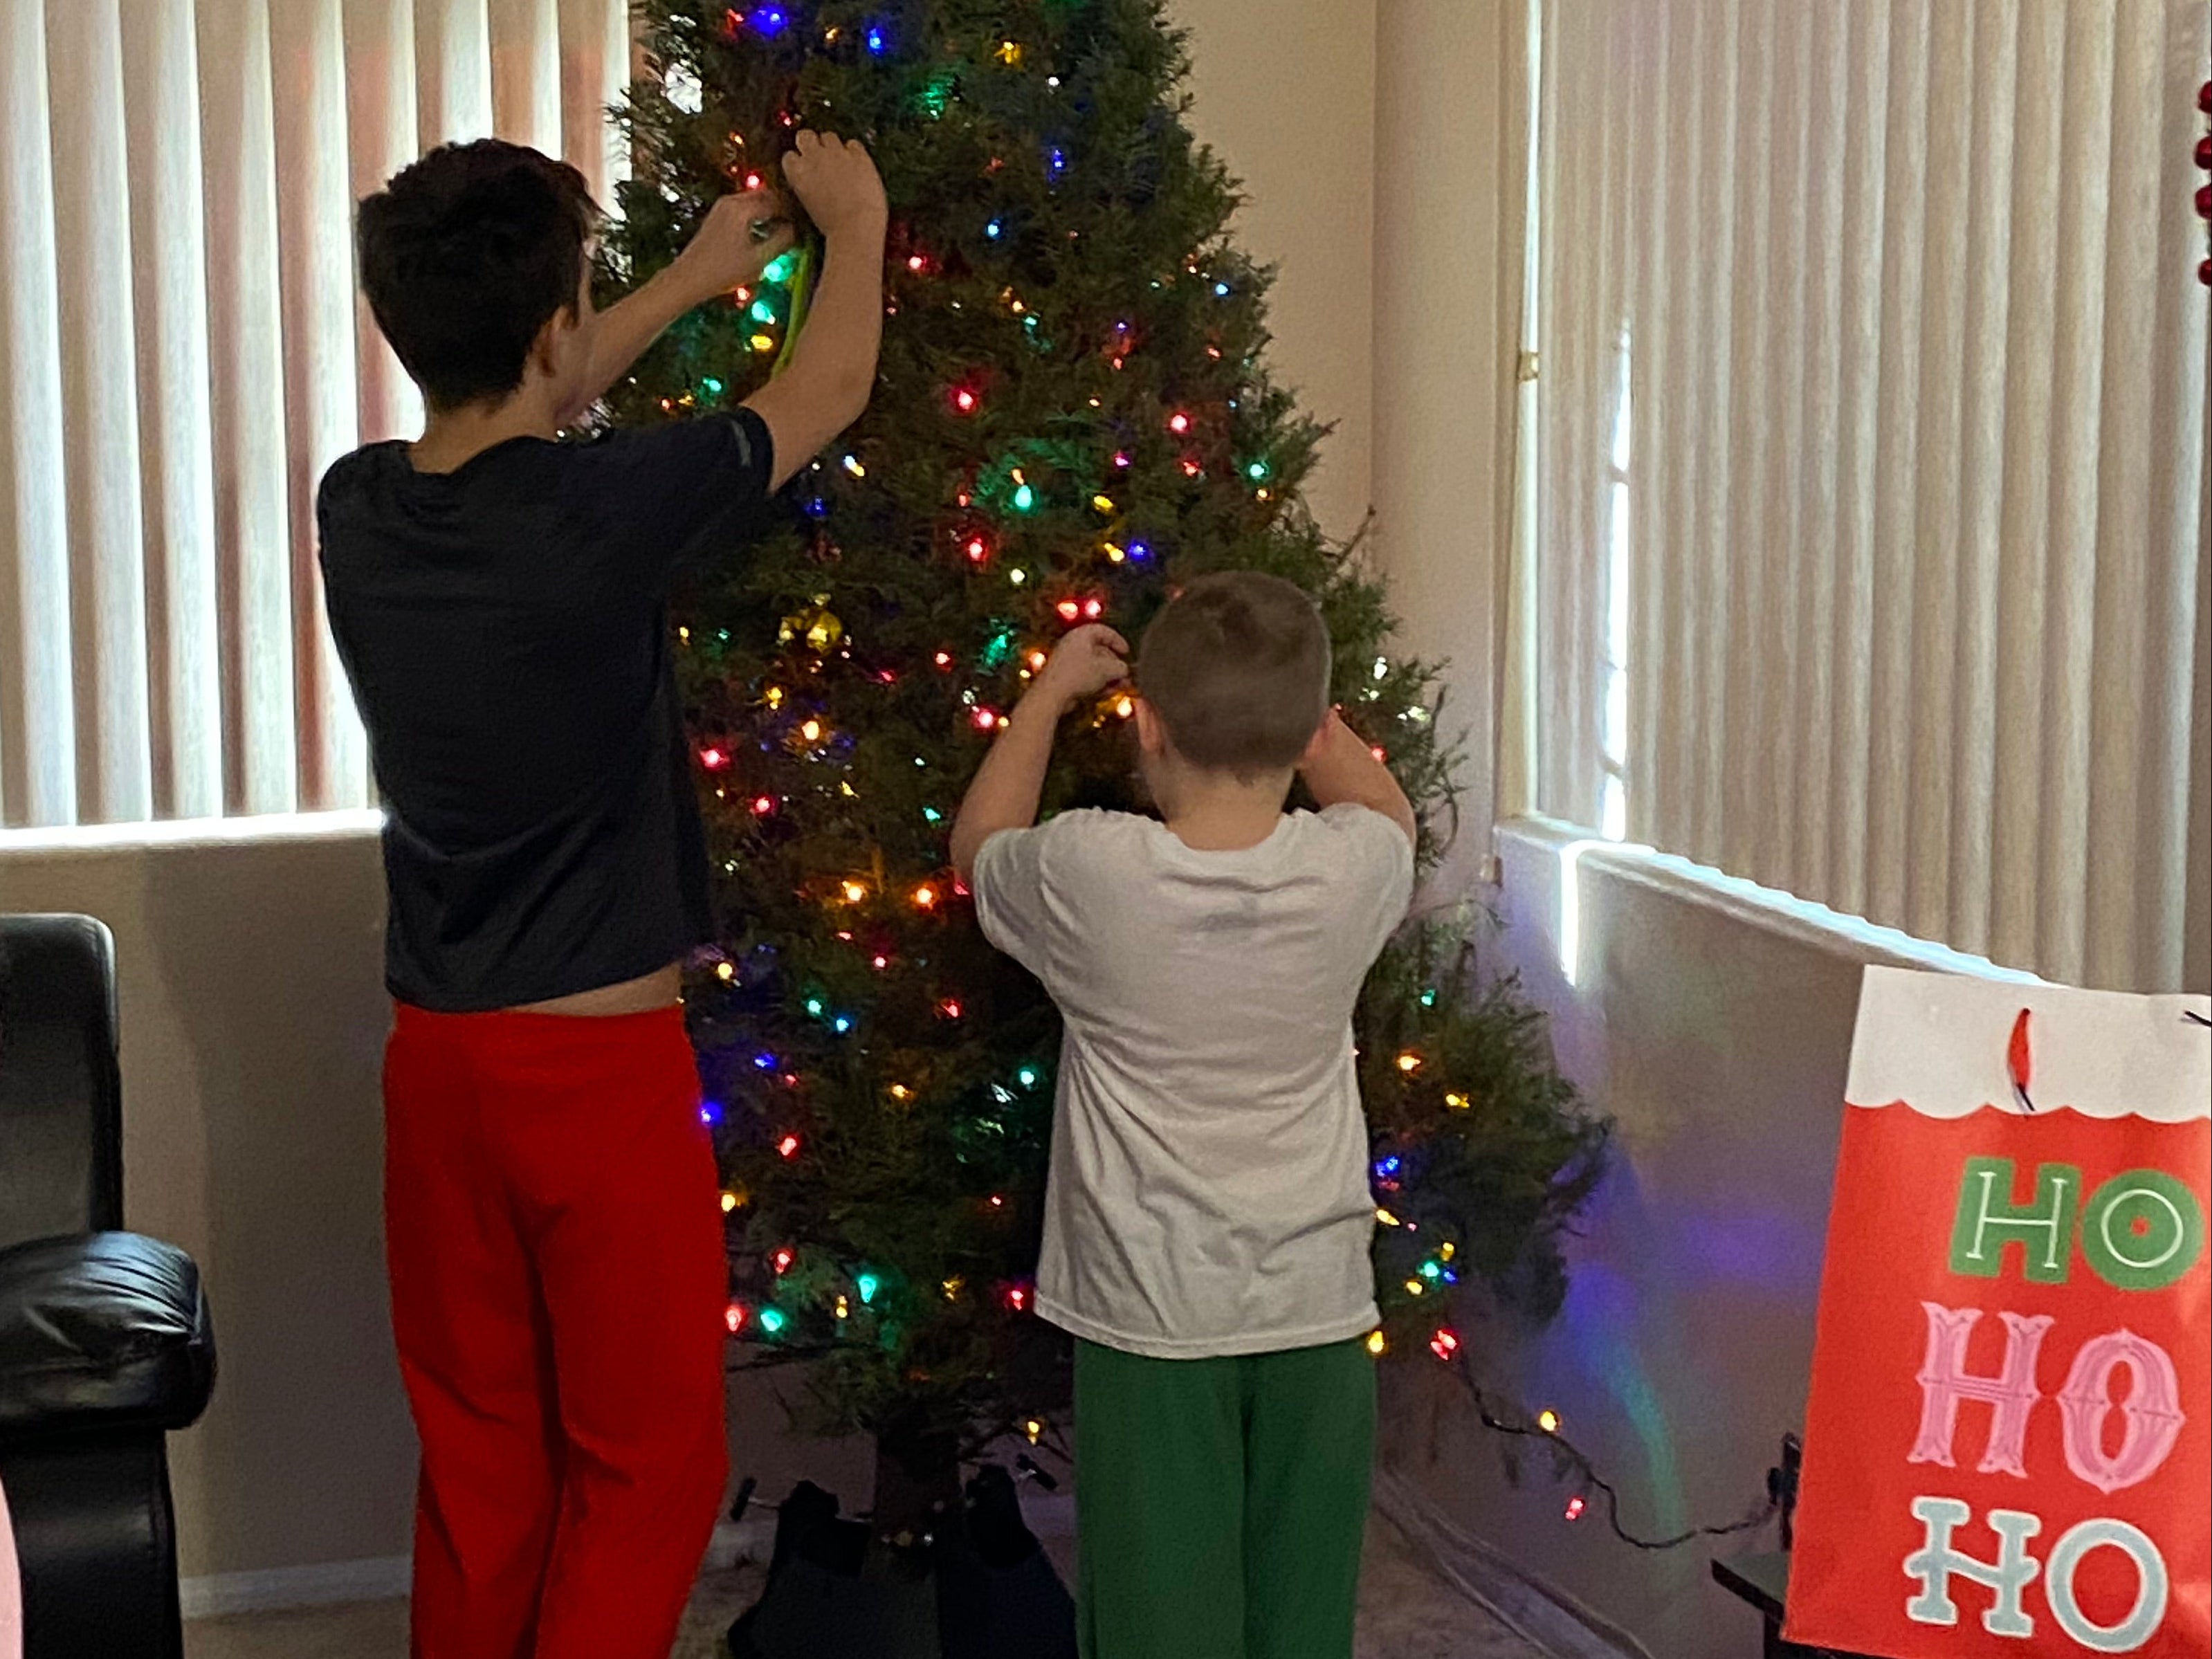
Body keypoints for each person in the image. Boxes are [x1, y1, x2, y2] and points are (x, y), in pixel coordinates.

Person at [318, 131, 886, 1659]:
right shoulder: (603, 510)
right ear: (558, 326)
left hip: (437, 1065)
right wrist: (857, 221)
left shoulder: (359, 510)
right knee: (648, 1465)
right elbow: (825, 393)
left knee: (486, 1455)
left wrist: (693, 279)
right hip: (594, 1076)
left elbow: (533, 389)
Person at [949, 574, 1418, 1659]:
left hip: (1150, 1321)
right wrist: (1308, 721)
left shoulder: (1091, 870)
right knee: (1299, 1620)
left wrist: (1049, 693)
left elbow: (978, 851)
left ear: (1147, 723)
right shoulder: (1349, 869)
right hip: (1316, 1315)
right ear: (1309, 729)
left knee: (1160, 1623)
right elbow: (1389, 810)